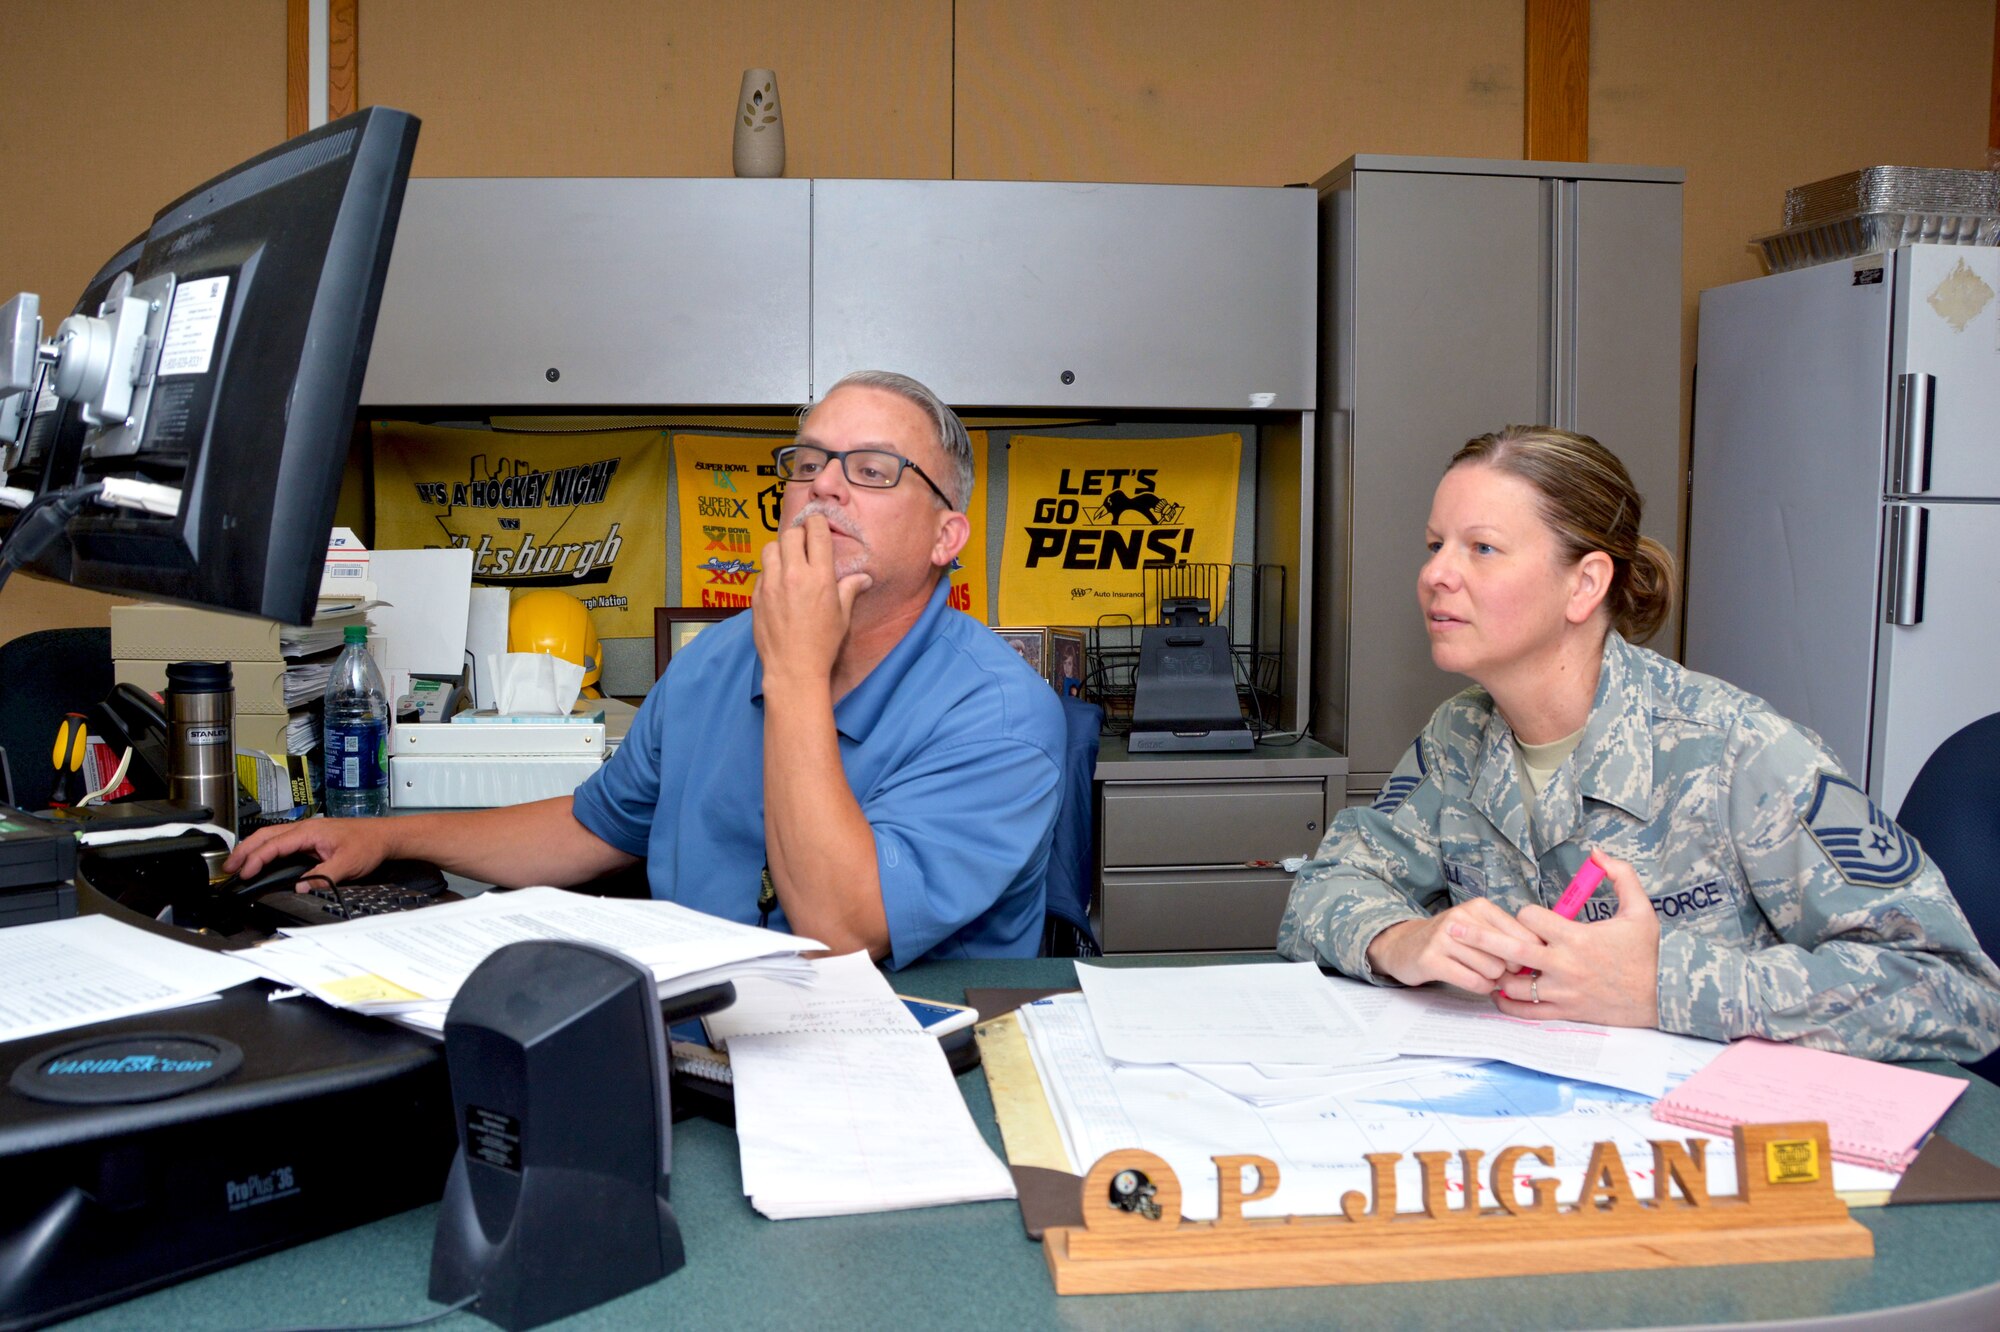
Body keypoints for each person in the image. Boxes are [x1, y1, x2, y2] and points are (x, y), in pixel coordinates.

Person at [229, 370, 1067, 967]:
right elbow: (595, 827)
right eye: (807, 464)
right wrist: (386, 835)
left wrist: (796, 670)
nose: (826, 488)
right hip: (699, 1051)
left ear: (944, 537)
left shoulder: (1000, 716)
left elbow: (841, 928)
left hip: (901, 1083)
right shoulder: (715, 666)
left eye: (873, 469)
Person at [1277, 425, 2000, 1063]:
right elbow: (1323, 890)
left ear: (1585, 584)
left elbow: (1953, 992)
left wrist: (1660, 986)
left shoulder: (1737, 752)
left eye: (1482, 548)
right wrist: (1400, 939)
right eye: (1436, 545)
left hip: (1711, 1159)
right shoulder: (1459, 736)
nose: (1435, 573)